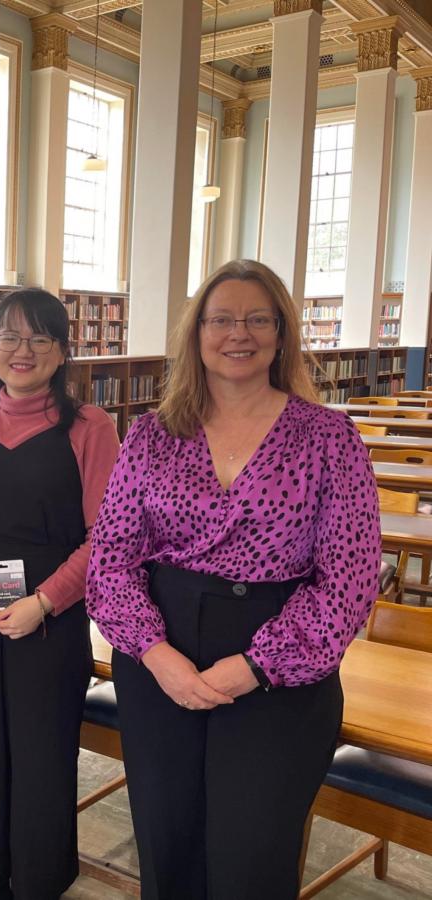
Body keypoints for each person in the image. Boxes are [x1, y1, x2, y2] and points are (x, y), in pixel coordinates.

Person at [85, 259, 381, 900]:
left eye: (255, 319)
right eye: (220, 319)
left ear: (280, 333)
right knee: (167, 847)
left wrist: (255, 665)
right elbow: (111, 560)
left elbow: (349, 581)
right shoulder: (153, 435)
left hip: (280, 670)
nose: (236, 333)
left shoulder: (330, 437)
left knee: (251, 859)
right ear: (197, 334)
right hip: (157, 655)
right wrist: (157, 655)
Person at [0, 290, 119, 899]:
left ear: (63, 352)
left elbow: (103, 538)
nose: (22, 351)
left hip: (52, 614)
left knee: (41, 752)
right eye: (8, 338)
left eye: (39, 339)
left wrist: (45, 601)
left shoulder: (92, 428)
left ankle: (38, 880)